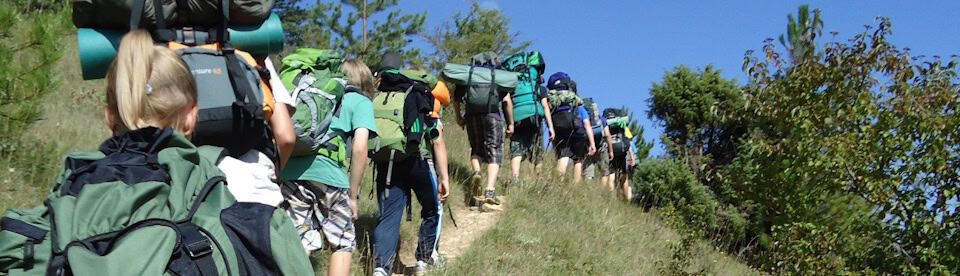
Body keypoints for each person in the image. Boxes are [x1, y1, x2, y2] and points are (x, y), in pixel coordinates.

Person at [279, 58, 378, 276]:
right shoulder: (360, 102)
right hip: (330, 176)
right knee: (342, 241)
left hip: (291, 173)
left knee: (299, 241)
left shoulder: (312, 94)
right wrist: (352, 195)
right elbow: (360, 148)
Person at [371, 61, 450, 276]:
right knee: (432, 209)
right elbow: (438, 141)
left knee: (388, 217)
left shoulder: (384, 95)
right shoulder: (424, 97)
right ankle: (423, 261)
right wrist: (444, 178)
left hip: (387, 162)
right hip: (418, 161)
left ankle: (380, 268)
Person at [452, 54, 514, 206]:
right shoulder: (497, 76)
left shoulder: (469, 75)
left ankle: (477, 172)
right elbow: (506, 101)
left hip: (472, 115)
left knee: (476, 149)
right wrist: (510, 123)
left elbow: (456, 99)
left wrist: (459, 117)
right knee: (495, 150)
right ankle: (490, 190)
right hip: (493, 115)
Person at [549, 78, 596, 184]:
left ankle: (558, 183)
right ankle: (575, 184)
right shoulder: (579, 105)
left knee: (563, 155)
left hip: (563, 130)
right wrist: (592, 143)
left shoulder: (560, 102)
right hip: (579, 134)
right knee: (578, 160)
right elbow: (587, 125)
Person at [509, 79, 554, 186]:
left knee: (516, 149)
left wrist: (509, 123)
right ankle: (539, 178)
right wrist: (550, 127)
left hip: (517, 120)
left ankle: (515, 177)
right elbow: (545, 106)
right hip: (535, 121)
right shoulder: (540, 88)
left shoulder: (514, 88)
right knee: (537, 152)